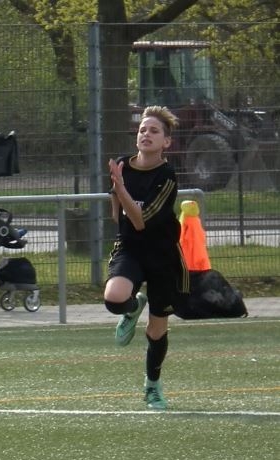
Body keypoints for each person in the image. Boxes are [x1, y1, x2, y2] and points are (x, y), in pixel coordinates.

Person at [103, 105, 188, 411]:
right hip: (131, 248)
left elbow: (139, 220)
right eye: (142, 130)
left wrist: (121, 188)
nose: (146, 134)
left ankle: (152, 385)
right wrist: (118, 189)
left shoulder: (167, 176)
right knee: (114, 299)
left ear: (167, 141)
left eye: (154, 131)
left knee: (156, 329)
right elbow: (119, 216)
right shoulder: (123, 165)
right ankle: (132, 307)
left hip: (162, 254)